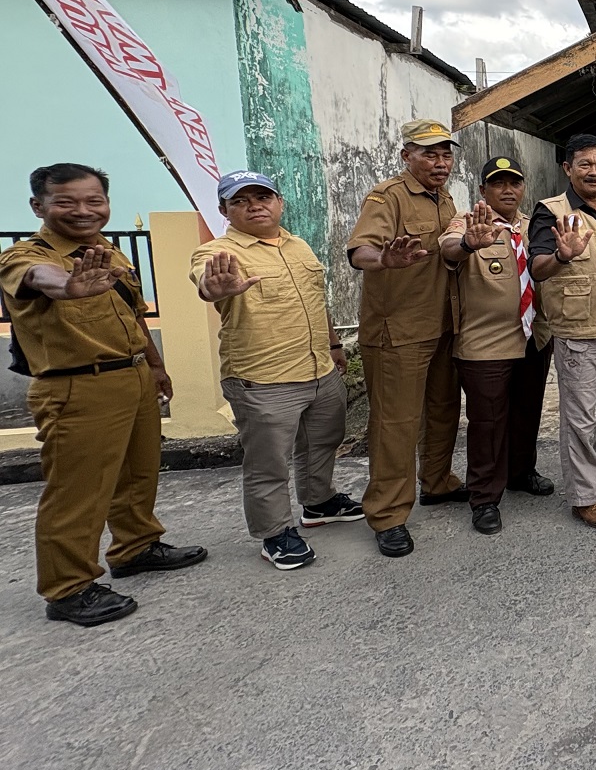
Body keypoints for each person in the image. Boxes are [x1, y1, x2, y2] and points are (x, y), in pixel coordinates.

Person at [0, 164, 206, 626]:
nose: (82, 211)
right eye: (66, 201)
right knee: (78, 491)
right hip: (76, 385)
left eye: (93, 200)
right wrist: (68, 286)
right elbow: (40, 277)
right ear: (39, 206)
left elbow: (133, 312)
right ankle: (68, 588)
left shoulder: (107, 251)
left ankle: (136, 547)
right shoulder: (23, 255)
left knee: (138, 471)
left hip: (129, 375)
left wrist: (154, 364)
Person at [192, 171, 363, 570]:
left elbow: (315, 301)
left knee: (322, 443)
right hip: (263, 379)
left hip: (319, 369)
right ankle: (275, 534)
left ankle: (318, 503)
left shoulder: (298, 246)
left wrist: (334, 345)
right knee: (268, 463)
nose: (256, 205)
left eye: (263, 196)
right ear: (224, 210)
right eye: (241, 200)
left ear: (279, 202)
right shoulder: (218, 253)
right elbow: (206, 283)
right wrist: (215, 288)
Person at [346, 118, 467, 558]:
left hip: (442, 324)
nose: (440, 162)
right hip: (397, 329)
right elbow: (360, 251)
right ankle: (388, 513)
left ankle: (437, 481)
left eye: (445, 154)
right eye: (429, 154)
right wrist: (385, 259)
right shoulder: (387, 196)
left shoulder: (445, 198)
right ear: (406, 156)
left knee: (443, 409)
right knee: (395, 424)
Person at [528, 134, 596, 531]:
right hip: (579, 328)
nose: (594, 171)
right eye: (585, 164)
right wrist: (562, 254)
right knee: (580, 417)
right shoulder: (551, 212)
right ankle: (584, 496)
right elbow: (537, 267)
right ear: (568, 169)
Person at [440, 157, 556, 536]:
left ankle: (520, 472)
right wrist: (467, 244)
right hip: (485, 343)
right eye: (498, 183)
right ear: (483, 190)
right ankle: (484, 497)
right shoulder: (468, 221)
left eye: (515, 183)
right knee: (488, 422)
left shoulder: (529, 225)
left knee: (527, 411)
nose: (508, 190)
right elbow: (448, 249)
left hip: (532, 336)